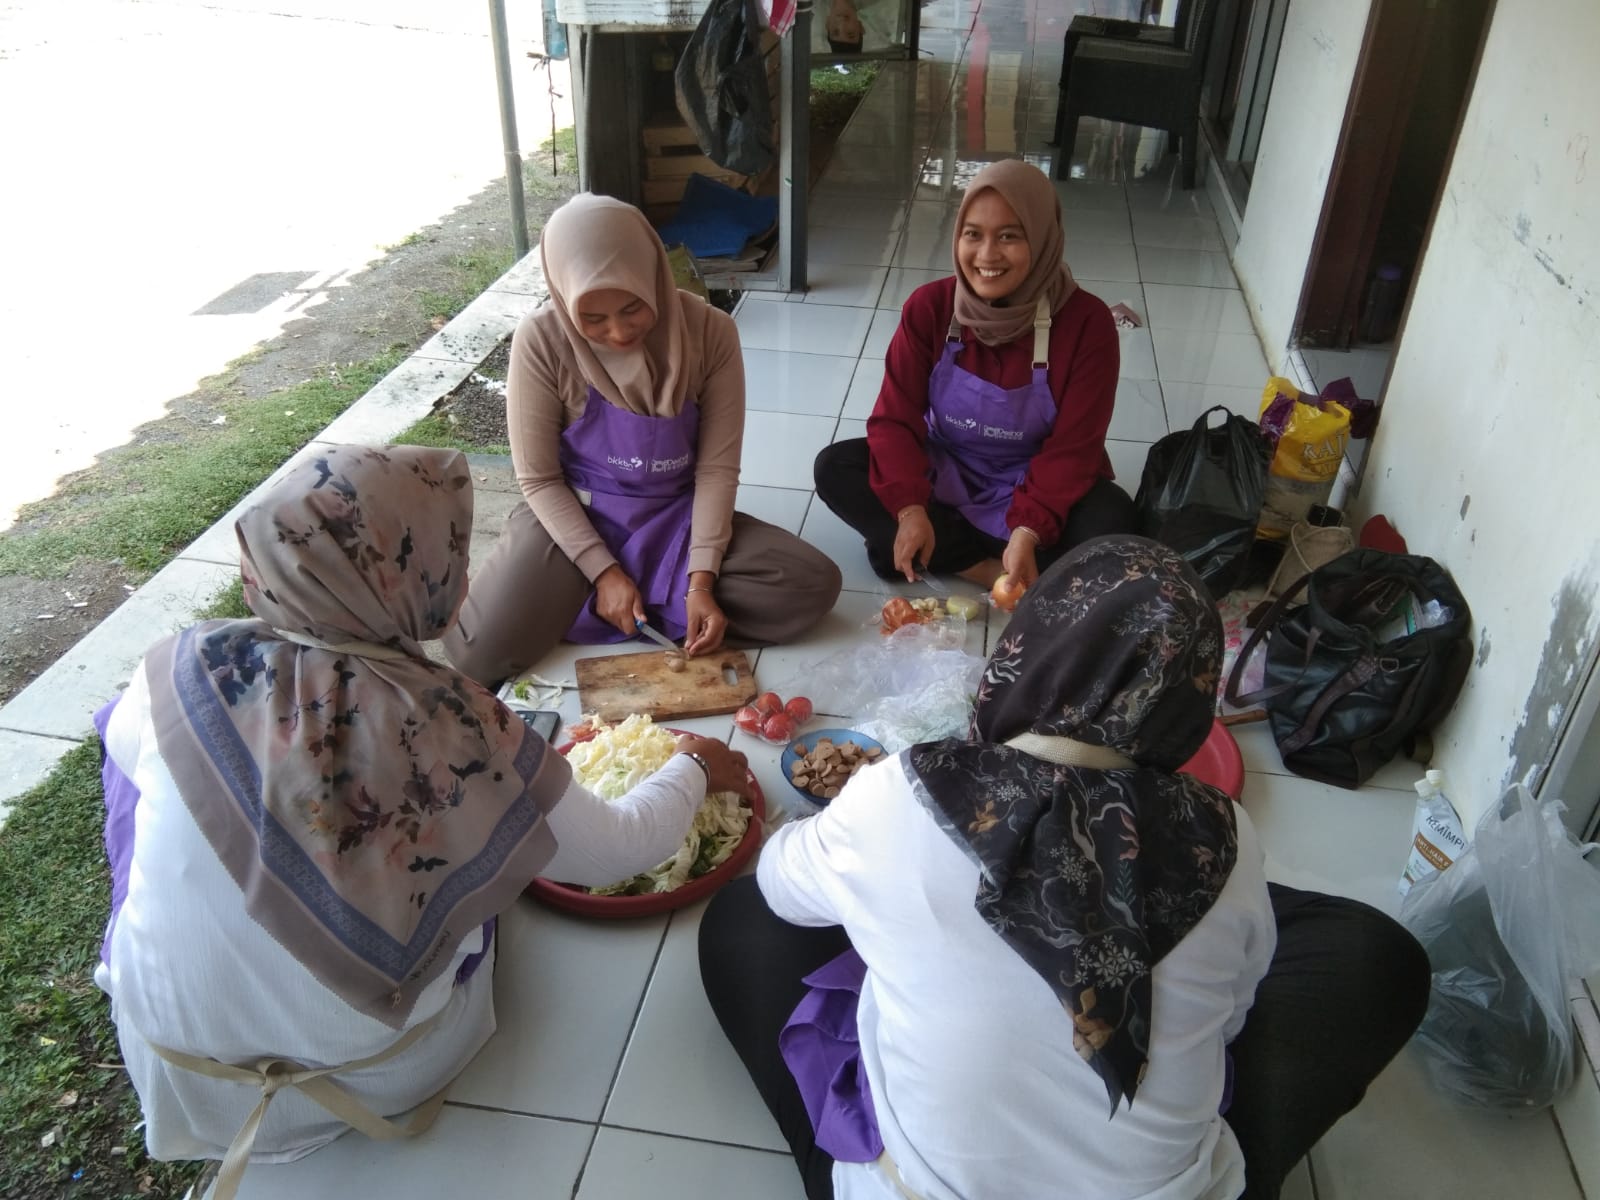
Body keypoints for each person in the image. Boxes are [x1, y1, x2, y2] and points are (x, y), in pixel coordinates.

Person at [93, 445, 750, 1199]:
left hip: (181, 1078)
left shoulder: (183, 663)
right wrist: (697, 766)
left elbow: (130, 765)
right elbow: (617, 852)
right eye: (453, 557)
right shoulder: (451, 721)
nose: (465, 577)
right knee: (489, 857)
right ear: (409, 580)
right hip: (377, 1075)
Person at [698, 536, 1430, 1200]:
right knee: (1377, 955)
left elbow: (781, 886)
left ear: (1030, 646)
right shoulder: (1224, 836)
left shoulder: (902, 793)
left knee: (742, 919)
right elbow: (1234, 1015)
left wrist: (877, 865)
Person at [442, 194, 841, 688]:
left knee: (809, 585)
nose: (618, 332)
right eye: (593, 319)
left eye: (633, 307)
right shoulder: (542, 340)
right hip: (578, 514)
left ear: (653, 274)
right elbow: (540, 479)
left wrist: (701, 581)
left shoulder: (711, 332)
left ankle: (623, 600)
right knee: (476, 651)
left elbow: (716, 471)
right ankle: (618, 594)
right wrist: (603, 571)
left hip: (675, 519)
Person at [814, 158, 1137, 591]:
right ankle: (981, 567)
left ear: (1043, 238)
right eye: (973, 234)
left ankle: (931, 550)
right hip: (945, 466)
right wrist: (910, 509)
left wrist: (1028, 528)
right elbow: (894, 419)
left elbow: (1075, 449)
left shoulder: (1086, 323)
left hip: (1030, 476)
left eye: (1009, 236)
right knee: (836, 467)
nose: (986, 256)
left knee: (1112, 522)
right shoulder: (930, 308)